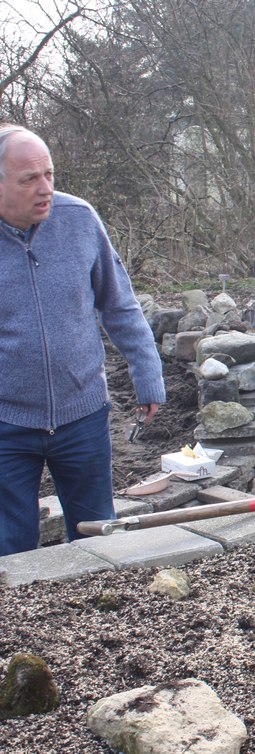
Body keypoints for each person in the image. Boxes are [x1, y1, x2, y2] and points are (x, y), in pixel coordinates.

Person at [0, 125, 166, 555]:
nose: (45, 189)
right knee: (11, 547)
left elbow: (120, 305)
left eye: (49, 174)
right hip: (6, 422)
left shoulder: (79, 219)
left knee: (97, 538)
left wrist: (148, 374)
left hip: (83, 413)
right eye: (29, 179)